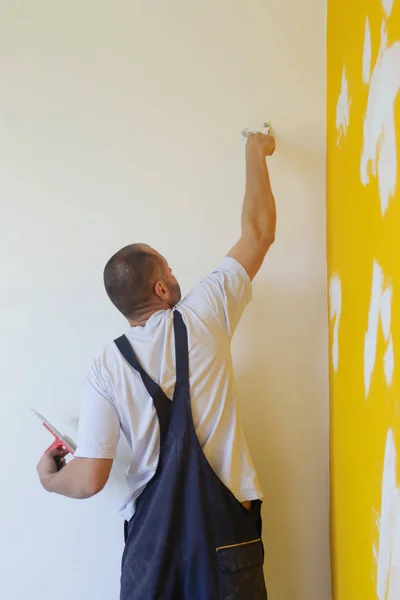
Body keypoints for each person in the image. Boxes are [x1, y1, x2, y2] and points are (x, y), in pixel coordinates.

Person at [37, 131, 276, 600]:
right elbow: (259, 231)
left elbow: (88, 480)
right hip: (227, 535)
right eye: (169, 269)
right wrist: (256, 150)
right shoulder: (206, 313)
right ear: (162, 289)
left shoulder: (105, 366)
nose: (174, 274)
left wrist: (49, 479)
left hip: (154, 549)